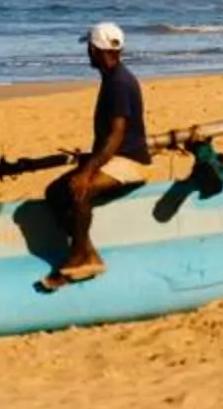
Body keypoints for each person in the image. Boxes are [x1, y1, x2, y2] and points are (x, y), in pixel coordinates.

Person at [39, 21, 150, 292]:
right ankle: (87, 253)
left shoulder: (120, 83)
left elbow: (117, 134)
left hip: (129, 161)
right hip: (115, 157)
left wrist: (88, 171)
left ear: (95, 49)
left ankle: (78, 257)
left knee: (79, 189)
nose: (87, 53)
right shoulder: (113, 78)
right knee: (55, 192)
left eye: (89, 48)